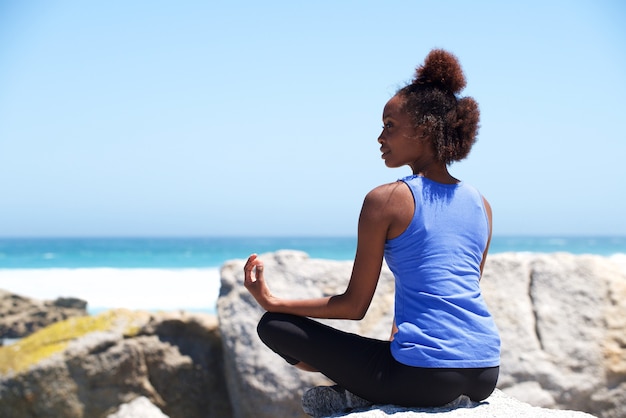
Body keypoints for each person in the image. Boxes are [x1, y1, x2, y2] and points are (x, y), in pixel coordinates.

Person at [243, 48, 501, 417]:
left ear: (426, 130)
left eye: (390, 126)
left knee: (276, 326)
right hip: (485, 371)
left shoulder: (387, 199)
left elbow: (354, 306)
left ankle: (359, 394)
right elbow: (455, 289)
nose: (380, 137)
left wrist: (272, 301)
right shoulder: (481, 203)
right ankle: (373, 382)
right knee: (386, 351)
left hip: (424, 379)